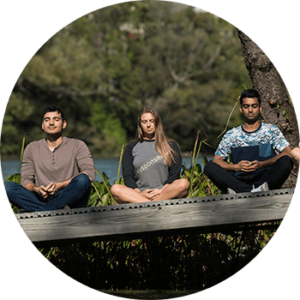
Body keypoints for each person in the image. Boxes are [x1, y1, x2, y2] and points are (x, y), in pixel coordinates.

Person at [4, 105, 95, 212]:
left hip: (69, 195)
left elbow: (90, 174)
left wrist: (60, 185)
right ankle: (55, 209)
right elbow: (26, 181)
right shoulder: (32, 148)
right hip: (41, 197)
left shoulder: (78, 145)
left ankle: (41, 211)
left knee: (82, 179)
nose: (51, 123)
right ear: (43, 125)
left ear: (64, 124)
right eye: (47, 120)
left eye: (56, 119)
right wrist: (36, 189)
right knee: (8, 187)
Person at [204, 89, 294, 194]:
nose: (250, 110)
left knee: (287, 160)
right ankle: (247, 191)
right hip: (239, 181)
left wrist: (262, 164)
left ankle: (253, 190)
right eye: (246, 106)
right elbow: (217, 160)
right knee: (209, 167)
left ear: (260, 108)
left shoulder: (271, 130)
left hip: (265, 181)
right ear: (241, 109)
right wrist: (235, 167)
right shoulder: (231, 135)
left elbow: (287, 152)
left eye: (254, 106)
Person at [110, 106, 189, 204]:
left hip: (164, 193)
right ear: (140, 124)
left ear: (157, 122)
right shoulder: (131, 147)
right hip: (139, 195)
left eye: (152, 121)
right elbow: (128, 176)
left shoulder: (171, 145)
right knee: (115, 189)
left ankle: (148, 204)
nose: (148, 125)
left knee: (184, 183)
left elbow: (174, 174)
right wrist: (139, 193)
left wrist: (162, 191)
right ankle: (151, 204)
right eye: (144, 122)